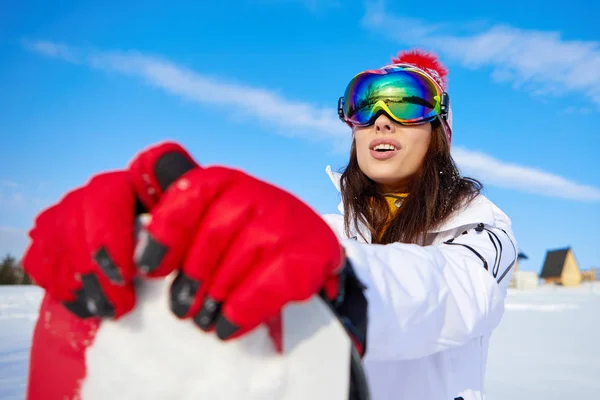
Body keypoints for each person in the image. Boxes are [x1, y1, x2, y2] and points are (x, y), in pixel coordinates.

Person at [21, 49, 517, 400]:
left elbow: (452, 294)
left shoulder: (481, 229)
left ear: (441, 133)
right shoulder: (325, 231)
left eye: (407, 102)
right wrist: (146, 238)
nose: (381, 120)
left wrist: (339, 278)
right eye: (366, 103)